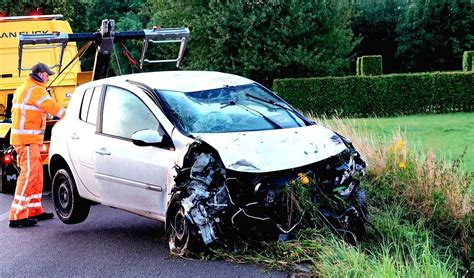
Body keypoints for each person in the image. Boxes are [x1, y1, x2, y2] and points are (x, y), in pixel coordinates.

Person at [8, 62, 66, 228]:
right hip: (27, 141)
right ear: (41, 74)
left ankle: (34, 209)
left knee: (36, 175)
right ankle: (17, 216)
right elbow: (52, 107)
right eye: (47, 75)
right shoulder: (36, 89)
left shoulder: (25, 87)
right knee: (28, 176)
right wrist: (68, 116)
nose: (48, 78)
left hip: (27, 140)